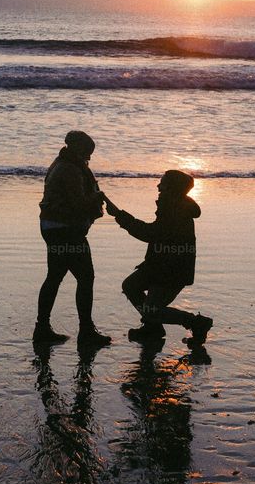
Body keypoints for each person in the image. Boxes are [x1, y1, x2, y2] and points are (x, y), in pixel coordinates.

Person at [104, 169, 213, 346]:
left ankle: (197, 323)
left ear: (171, 188)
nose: (158, 185)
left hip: (172, 270)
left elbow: (151, 233)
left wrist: (119, 215)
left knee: (152, 310)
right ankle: (152, 327)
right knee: (131, 286)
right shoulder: (172, 204)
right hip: (158, 265)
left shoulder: (175, 208)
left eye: (162, 182)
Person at [35, 131, 111, 347]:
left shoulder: (62, 163)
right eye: (87, 152)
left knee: (55, 277)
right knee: (86, 278)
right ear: (78, 148)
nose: (89, 157)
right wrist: (97, 197)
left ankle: (42, 328)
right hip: (65, 230)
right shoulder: (69, 169)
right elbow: (78, 204)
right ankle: (86, 331)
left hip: (53, 227)